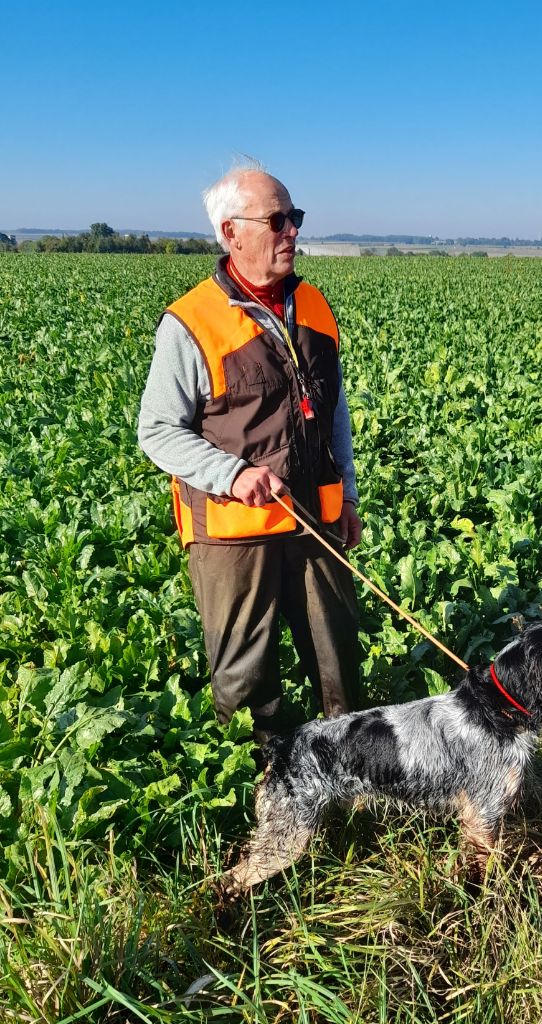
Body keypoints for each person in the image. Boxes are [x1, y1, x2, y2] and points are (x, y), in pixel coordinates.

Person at [138, 162, 361, 736]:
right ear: (231, 232)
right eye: (277, 219)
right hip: (234, 532)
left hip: (314, 516)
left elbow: (334, 410)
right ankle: (268, 795)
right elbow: (157, 429)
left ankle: (358, 786)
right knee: (246, 682)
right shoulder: (190, 323)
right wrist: (233, 475)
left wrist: (350, 497)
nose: (292, 231)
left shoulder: (314, 306)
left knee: (338, 664)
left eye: (296, 217)